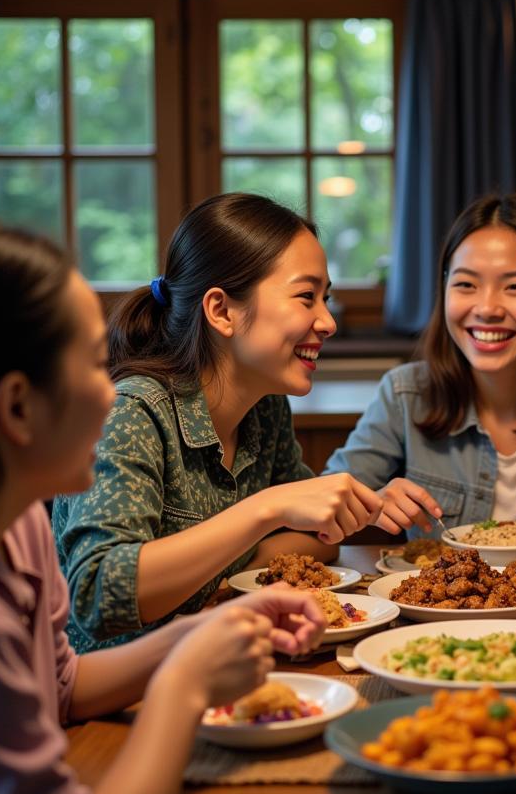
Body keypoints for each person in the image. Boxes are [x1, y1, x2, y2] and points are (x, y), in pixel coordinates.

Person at [0, 222, 327, 794]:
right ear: (19, 408)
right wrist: (184, 681)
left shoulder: (20, 526)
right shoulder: (140, 409)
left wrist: (203, 633)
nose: (112, 387)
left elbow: (62, 685)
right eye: (91, 363)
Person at [53, 193, 382, 652]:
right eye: (307, 296)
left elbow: (315, 538)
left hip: (220, 669)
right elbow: (98, 595)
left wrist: (352, 508)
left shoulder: (265, 409)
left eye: (326, 298)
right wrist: (264, 511)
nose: (326, 321)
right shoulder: (133, 412)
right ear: (221, 310)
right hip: (111, 709)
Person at [327, 193, 516, 534]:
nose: (487, 308)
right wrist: (372, 502)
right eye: (465, 284)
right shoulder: (404, 394)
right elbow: (326, 502)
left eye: (515, 286)